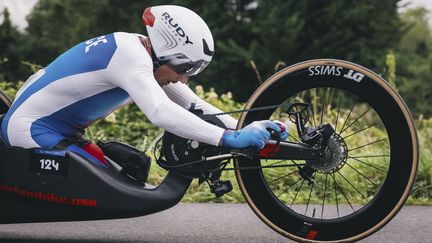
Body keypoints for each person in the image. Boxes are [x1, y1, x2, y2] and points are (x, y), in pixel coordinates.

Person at [0, 5, 287, 175]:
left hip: (57, 130)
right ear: (164, 53)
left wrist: (248, 127)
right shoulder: (130, 56)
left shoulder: (144, 55)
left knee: (130, 172)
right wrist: (228, 137)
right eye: (185, 69)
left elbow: (194, 105)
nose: (183, 79)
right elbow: (160, 112)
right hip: (29, 129)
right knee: (106, 192)